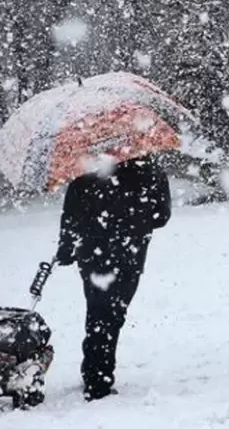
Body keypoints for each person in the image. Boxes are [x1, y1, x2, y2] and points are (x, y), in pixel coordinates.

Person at [55, 156, 171, 400]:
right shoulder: (149, 170)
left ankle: (94, 371)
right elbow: (162, 216)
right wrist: (136, 222)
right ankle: (99, 377)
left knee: (97, 310)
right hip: (130, 253)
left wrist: (66, 249)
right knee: (113, 314)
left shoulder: (85, 170)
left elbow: (71, 215)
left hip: (92, 254)